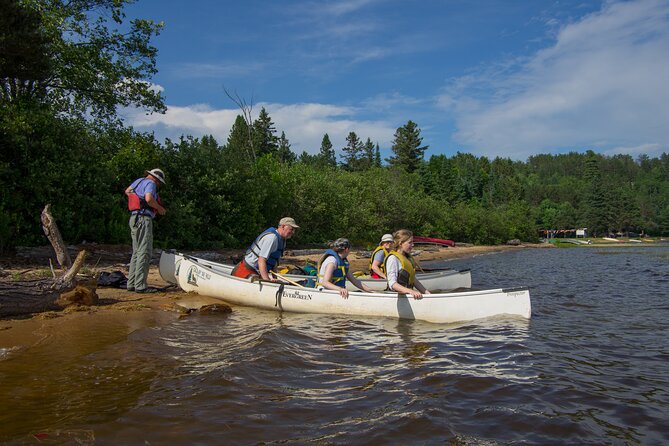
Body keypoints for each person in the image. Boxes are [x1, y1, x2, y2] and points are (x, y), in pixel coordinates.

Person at [125, 168, 167, 293]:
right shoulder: (151, 183)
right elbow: (149, 198)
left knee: (136, 252)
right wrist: (159, 208)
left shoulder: (138, 181)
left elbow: (127, 191)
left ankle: (131, 284)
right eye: (159, 182)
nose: (158, 185)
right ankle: (140, 286)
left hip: (134, 217)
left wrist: (137, 199)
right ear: (156, 178)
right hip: (143, 218)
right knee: (144, 251)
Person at [231, 217, 299, 281]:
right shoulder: (272, 238)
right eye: (291, 229)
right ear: (283, 226)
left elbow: (274, 261)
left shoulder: (282, 240)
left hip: (257, 272)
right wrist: (267, 281)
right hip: (246, 270)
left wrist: (275, 278)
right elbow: (261, 260)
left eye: (294, 230)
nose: (293, 232)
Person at [384, 229, 431, 300]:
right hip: (395, 297)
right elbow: (392, 284)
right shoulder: (393, 259)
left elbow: (413, 280)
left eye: (413, 242)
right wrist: (411, 291)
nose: (412, 245)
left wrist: (427, 293)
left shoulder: (407, 257)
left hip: (407, 296)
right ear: (400, 243)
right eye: (410, 242)